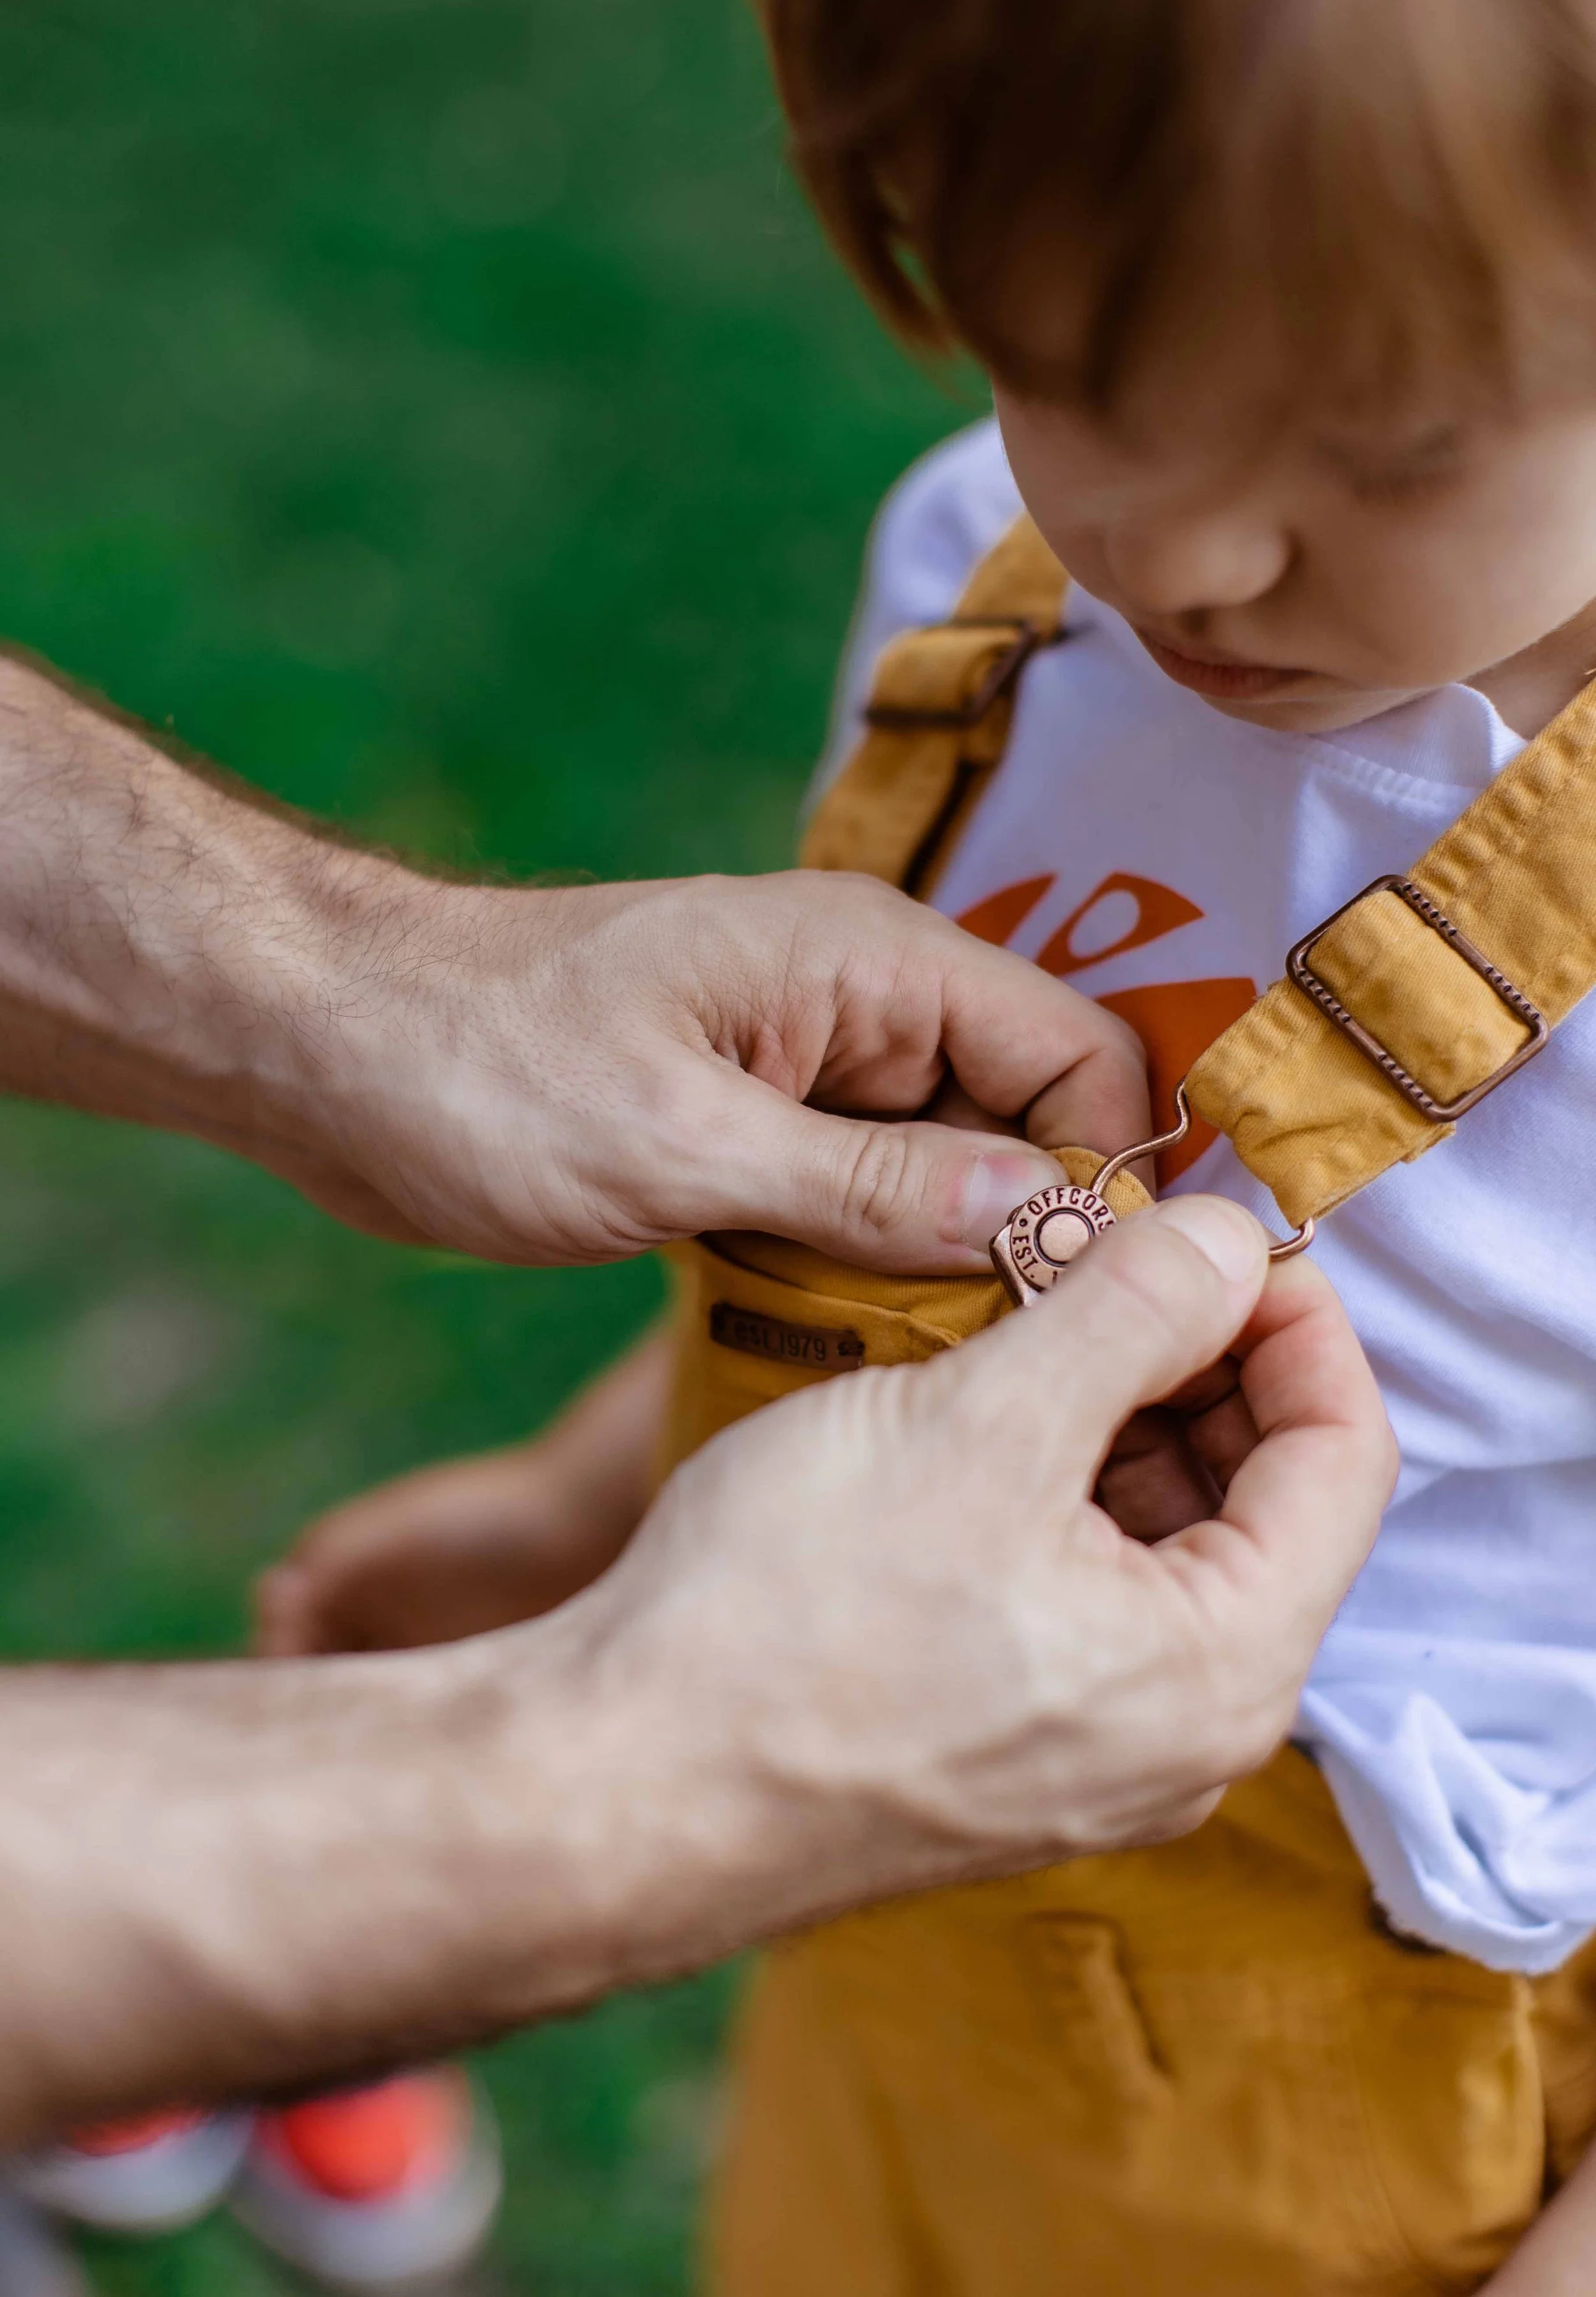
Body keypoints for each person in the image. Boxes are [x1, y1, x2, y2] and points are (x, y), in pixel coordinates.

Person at [259, 0, 1596, 2291]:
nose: (1175, 545)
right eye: (1058, 360)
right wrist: (586, 1498)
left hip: (1354, 2108)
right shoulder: (982, 592)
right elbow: (920, 1241)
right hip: (892, 1906)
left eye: (1376, 441)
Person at [0, 646, 1397, 2274]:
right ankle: (191, 1973)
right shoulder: (1043, 631)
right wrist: (594, 1529)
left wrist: (346, 982)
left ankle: (186, 1973)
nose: (1196, 554)